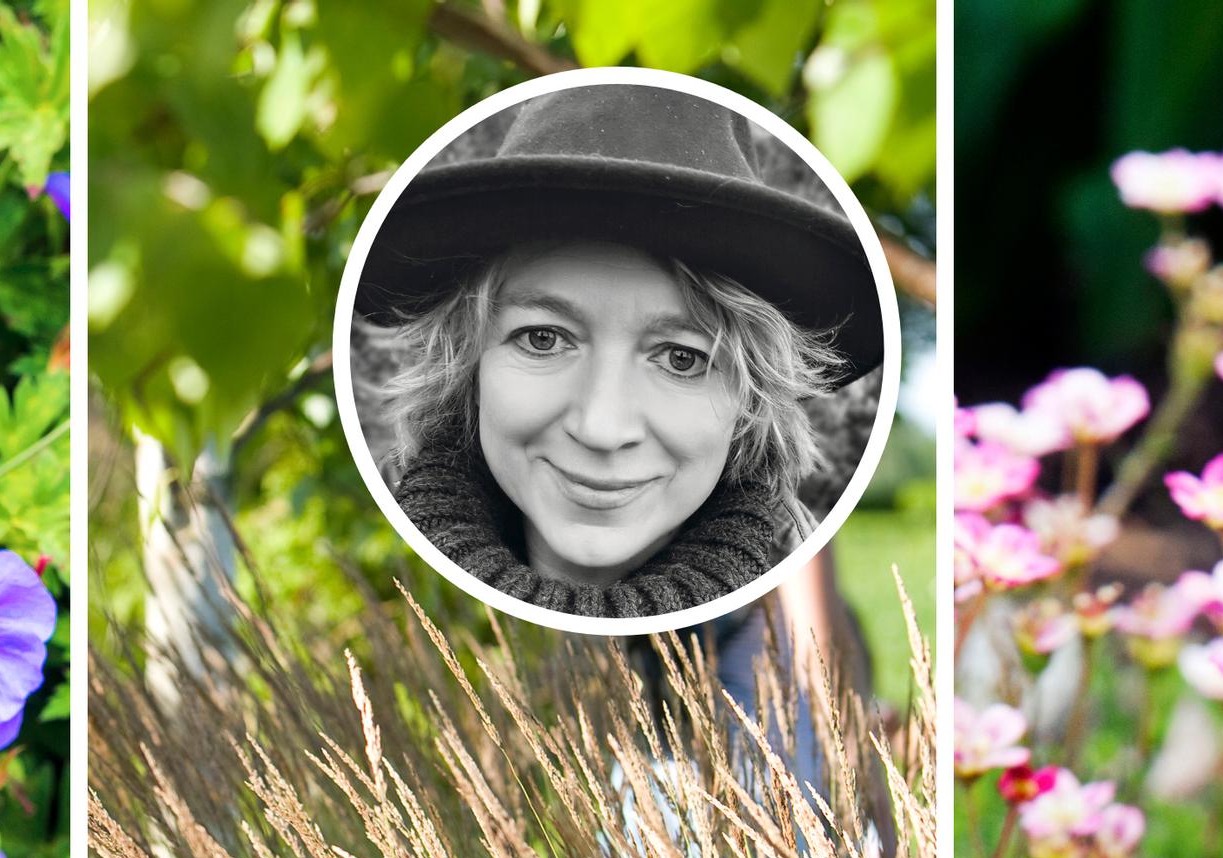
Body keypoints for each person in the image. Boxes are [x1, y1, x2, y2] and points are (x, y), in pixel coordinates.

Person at [356, 82, 885, 622]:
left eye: (682, 358)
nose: (601, 429)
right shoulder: (379, 599)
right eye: (543, 339)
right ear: (465, 366)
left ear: (751, 402)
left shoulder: (793, 638)